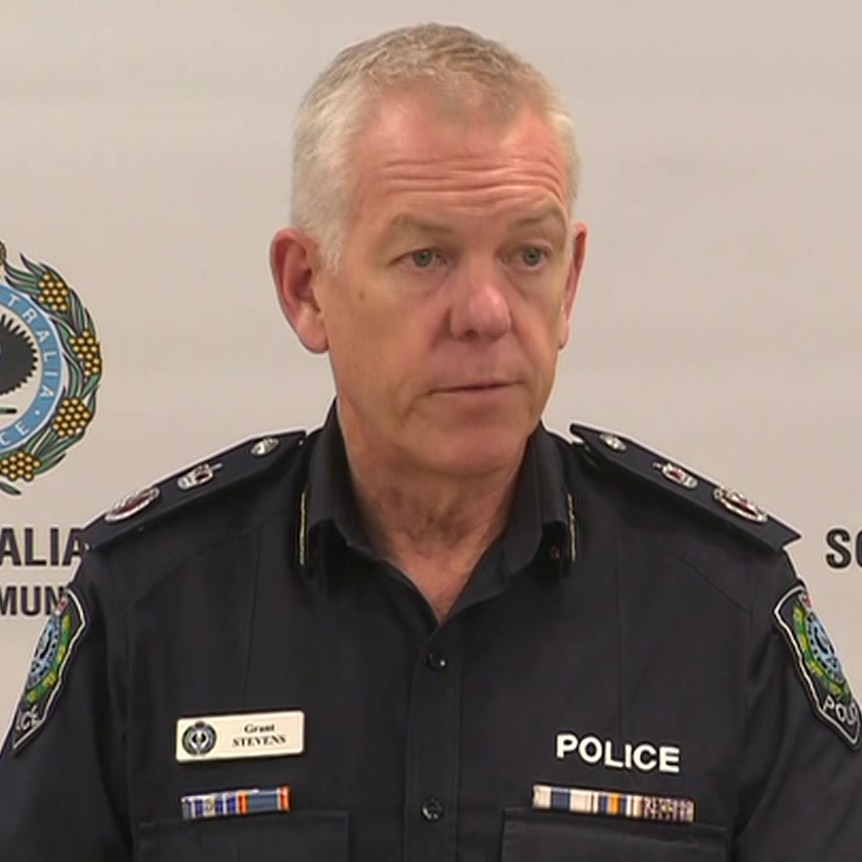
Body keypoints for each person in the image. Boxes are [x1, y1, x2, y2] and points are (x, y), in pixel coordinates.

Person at [0, 22, 859, 861]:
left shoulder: (722, 606)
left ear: (572, 284)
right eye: (425, 258)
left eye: (528, 255)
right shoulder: (151, 603)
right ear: (307, 289)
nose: (487, 313)